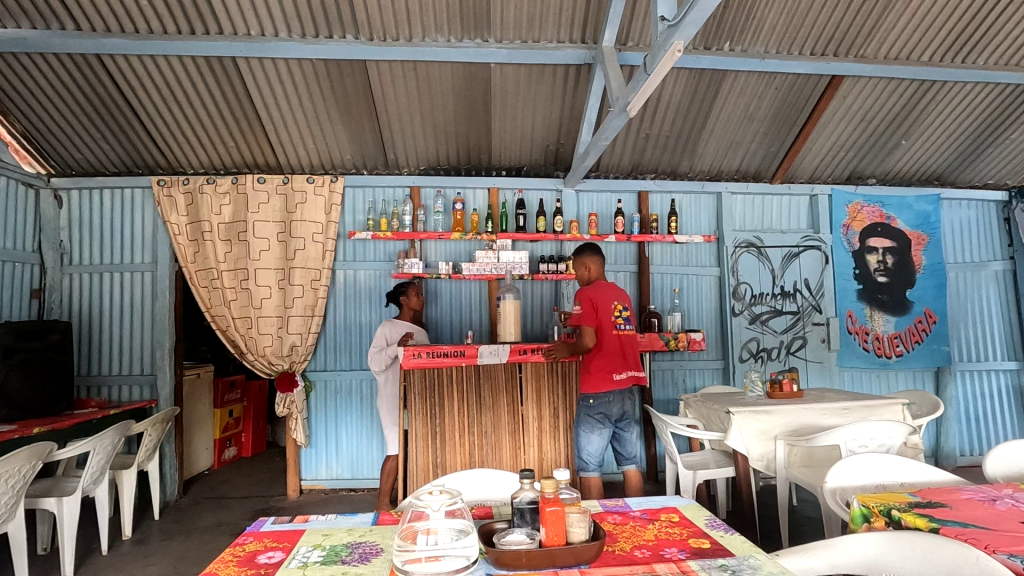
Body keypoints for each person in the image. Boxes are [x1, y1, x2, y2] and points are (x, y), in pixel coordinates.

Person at [543, 242, 647, 500]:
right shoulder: (621, 294)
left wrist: (567, 349)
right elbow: (610, 328)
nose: (575, 277)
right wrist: (575, 319)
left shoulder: (585, 294)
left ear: (587, 267)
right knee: (630, 464)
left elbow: (588, 342)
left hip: (598, 392)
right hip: (626, 390)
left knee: (590, 468)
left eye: (577, 270)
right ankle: (637, 517)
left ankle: (595, 521)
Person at [367, 281, 429, 512]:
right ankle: (382, 503)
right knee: (394, 447)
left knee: (414, 446)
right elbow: (374, 363)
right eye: (416, 294)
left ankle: (410, 496)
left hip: (414, 398)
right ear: (403, 300)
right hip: (391, 398)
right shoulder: (388, 327)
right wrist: (396, 347)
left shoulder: (421, 331)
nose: (421, 298)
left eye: (421, 294)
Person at [853, 222, 916, 318]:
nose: (881, 259)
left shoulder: (908, 308)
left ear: (902, 260)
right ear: (862, 258)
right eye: (872, 251)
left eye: (890, 252)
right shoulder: (855, 299)